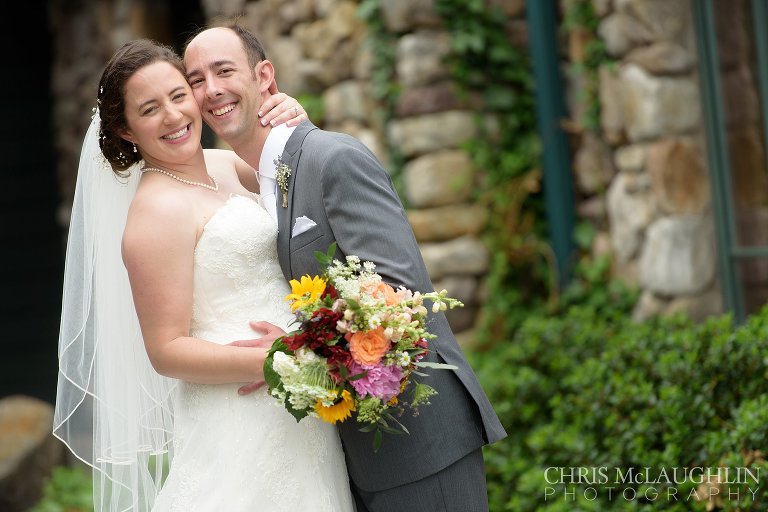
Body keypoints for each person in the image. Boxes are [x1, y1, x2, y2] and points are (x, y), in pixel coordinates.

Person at [183, 22, 508, 512]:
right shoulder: (257, 184)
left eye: (224, 70)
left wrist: (291, 351)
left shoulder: (333, 158)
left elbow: (401, 299)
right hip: (345, 454)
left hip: (419, 445)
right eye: (195, 80)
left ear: (265, 76)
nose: (211, 90)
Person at [53, 39, 355, 512]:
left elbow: (298, 190)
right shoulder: (154, 214)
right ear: (125, 129)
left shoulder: (222, 163)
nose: (173, 117)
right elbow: (166, 351)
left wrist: (292, 121)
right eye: (150, 109)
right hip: (241, 413)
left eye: (178, 95)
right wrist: (279, 361)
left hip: (300, 405)